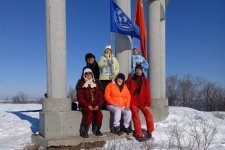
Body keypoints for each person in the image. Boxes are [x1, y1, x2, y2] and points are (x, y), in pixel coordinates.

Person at [126, 64, 154, 142]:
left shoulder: (145, 80)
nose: (138, 71)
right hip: (133, 101)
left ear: (142, 71)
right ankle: (139, 135)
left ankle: (150, 132)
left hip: (142, 102)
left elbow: (147, 92)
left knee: (149, 116)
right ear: (135, 71)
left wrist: (147, 104)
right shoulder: (131, 79)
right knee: (136, 117)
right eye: (137, 70)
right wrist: (127, 102)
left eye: (139, 70)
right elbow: (125, 89)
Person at [76, 68, 103, 138]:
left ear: (92, 74)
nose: (88, 75)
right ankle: (84, 131)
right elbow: (80, 98)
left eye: (90, 73)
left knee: (99, 114)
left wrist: (98, 105)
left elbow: (100, 96)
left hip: (95, 105)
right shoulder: (82, 84)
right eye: (86, 73)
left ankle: (97, 130)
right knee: (89, 114)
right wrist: (87, 105)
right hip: (85, 106)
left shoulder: (96, 84)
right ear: (84, 75)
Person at [98, 45, 120, 109]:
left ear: (111, 51)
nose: (107, 51)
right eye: (106, 50)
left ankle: (110, 104)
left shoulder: (115, 59)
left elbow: (117, 68)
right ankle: (103, 105)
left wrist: (114, 74)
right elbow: (100, 65)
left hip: (111, 78)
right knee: (103, 91)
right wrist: (107, 62)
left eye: (109, 50)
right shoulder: (102, 58)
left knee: (111, 92)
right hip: (103, 78)